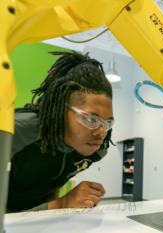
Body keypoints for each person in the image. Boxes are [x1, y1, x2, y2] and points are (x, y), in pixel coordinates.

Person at [7, 51, 114, 212]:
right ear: (60, 110)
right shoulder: (14, 134)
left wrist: (56, 207)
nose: (101, 133)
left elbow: (49, 182)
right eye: (91, 119)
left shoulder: (95, 150)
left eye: (107, 122)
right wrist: (61, 204)